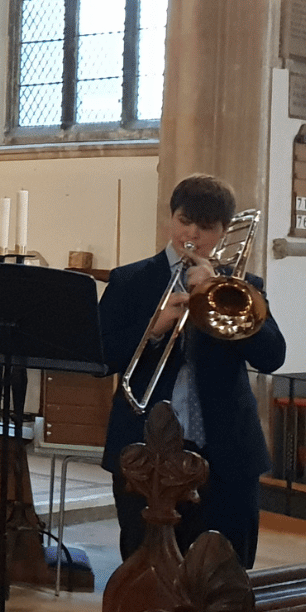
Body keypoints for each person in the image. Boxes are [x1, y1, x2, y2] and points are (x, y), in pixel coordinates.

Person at [100, 173, 285, 569]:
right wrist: (152, 330)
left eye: (207, 227)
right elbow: (101, 358)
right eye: (185, 221)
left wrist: (216, 293)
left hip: (225, 454)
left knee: (225, 575)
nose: (193, 235)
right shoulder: (130, 280)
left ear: (222, 232)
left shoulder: (241, 286)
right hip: (143, 453)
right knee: (145, 569)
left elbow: (272, 356)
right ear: (171, 218)